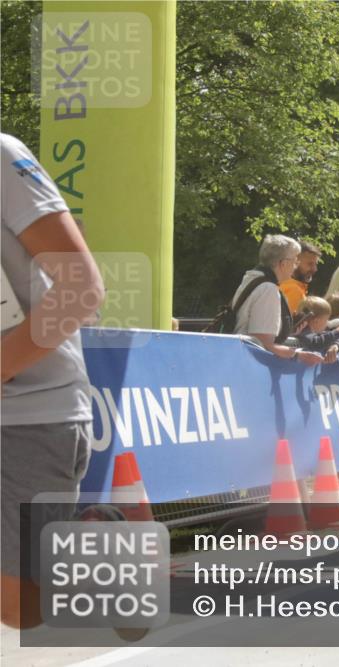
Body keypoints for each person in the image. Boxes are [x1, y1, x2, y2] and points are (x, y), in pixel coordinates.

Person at [2, 134, 106, 627]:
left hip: (32, 413)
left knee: (23, 609)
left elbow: (82, 289)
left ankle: (97, 541)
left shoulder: (2, 155)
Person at [231, 235, 324, 366]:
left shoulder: (253, 278)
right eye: (295, 261)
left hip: (240, 356)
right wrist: (297, 354)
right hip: (248, 364)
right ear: (283, 263)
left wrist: (288, 331)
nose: (295, 266)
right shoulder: (268, 289)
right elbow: (263, 344)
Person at [278, 240, 321, 313]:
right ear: (294, 263)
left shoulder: (280, 284)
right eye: (310, 264)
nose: (315, 269)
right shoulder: (294, 290)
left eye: (315, 264)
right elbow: (293, 324)